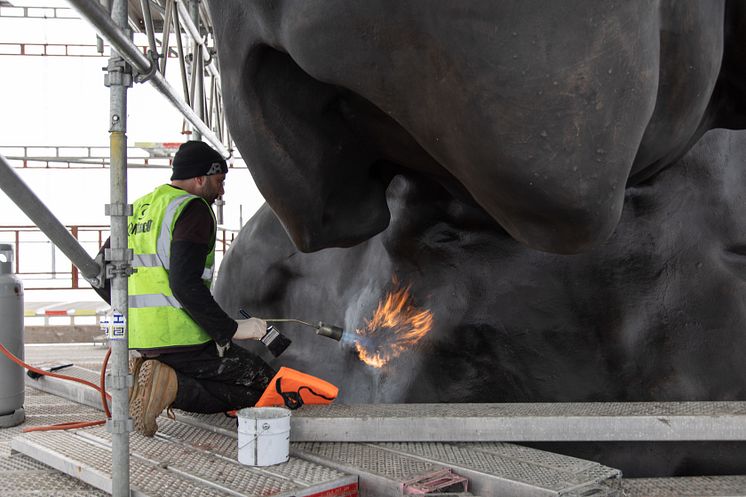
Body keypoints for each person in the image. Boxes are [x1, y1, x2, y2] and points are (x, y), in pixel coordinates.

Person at [97, 140, 276, 437]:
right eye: (219, 182)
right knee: (263, 385)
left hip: (143, 338)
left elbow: (99, 275)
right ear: (199, 179)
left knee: (234, 377)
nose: (221, 191)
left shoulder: (139, 208)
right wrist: (229, 330)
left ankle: (154, 374)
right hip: (182, 337)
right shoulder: (193, 209)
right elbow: (184, 283)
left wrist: (137, 314)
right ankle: (171, 386)